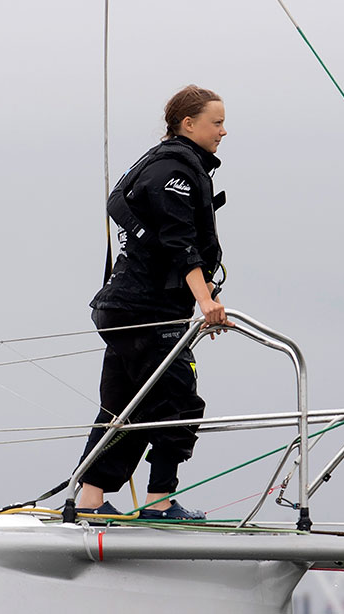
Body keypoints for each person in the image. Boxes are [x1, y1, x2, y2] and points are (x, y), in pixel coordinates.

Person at [75, 85, 232, 520]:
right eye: (216, 122)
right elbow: (177, 243)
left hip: (128, 308)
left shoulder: (167, 164)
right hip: (145, 312)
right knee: (179, 403)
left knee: (125, 404)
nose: (224, 131)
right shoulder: (174, 172)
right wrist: (206, 302)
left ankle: (89, 500)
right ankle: (159, 502)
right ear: (188, 124)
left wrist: (208, 296)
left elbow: (166, 250)